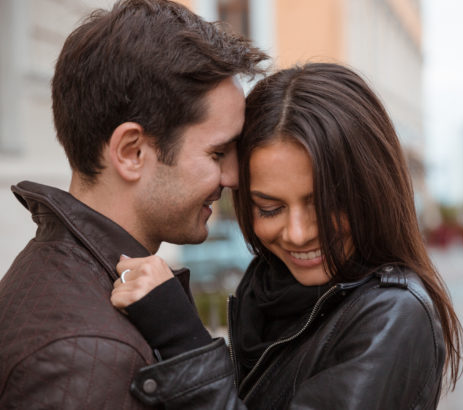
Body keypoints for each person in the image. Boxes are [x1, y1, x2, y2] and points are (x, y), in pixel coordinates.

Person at [111, 63, 463, 409]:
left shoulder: (392, 316)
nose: (298, 234)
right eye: (269, 208)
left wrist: (183, 339)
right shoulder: (266, 292)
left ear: (372, 190)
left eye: (323, 204)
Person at [0, 0, 267, 407]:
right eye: (217, 154)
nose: (232, 177)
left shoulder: (73, 280)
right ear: (131, 152)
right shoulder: (87, 354)